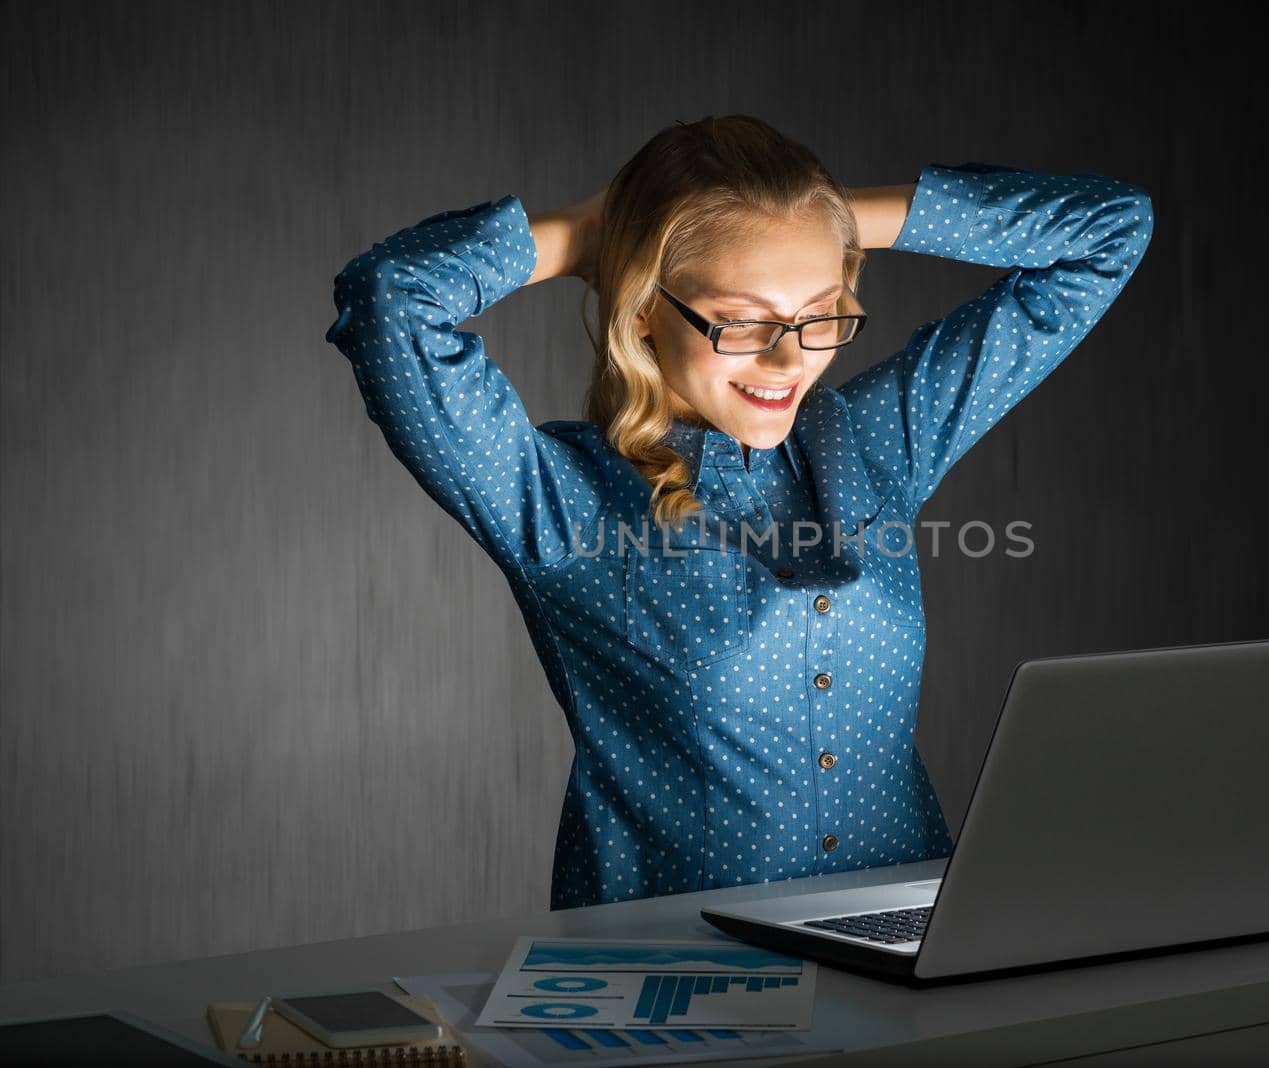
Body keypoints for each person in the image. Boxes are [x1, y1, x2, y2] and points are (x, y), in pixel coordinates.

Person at [323, 114, 1154, 910]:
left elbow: (1111, 231)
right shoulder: (559, 503)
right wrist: (590, 235)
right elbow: (389, 296)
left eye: (820, 314)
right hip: (676, 980)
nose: (790, 360)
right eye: (741, 323)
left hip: (911, 953)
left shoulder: (878, 444)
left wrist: (824, 220)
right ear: (645, 309)